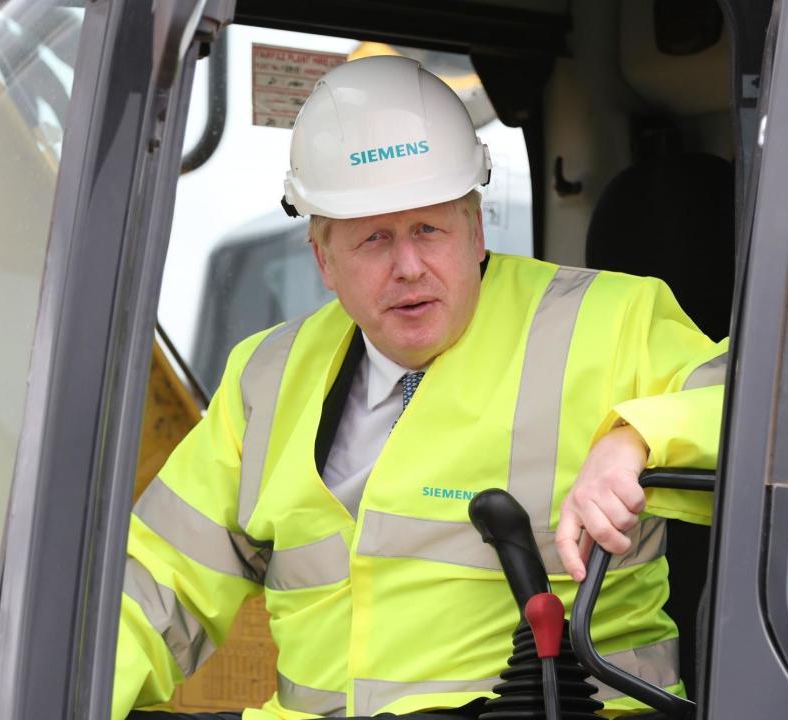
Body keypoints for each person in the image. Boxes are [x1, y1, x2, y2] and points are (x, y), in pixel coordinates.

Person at [113, 55, 726, 720]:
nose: (408, 267)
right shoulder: (266, 378)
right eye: (375, 239)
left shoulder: (610, 324)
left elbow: (762, 412)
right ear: (324, 258)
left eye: (428, 230)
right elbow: (151, 588)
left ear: (475, 227)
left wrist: (638, 437)